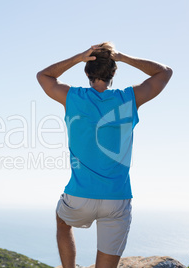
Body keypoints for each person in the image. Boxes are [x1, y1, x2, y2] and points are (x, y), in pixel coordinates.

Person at [37, 43, 172, 268]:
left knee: (62, 221)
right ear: (113, 72)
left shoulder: (72, 97)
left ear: (87, 72)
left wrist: (77, 58)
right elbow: (164, 72)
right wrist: (123, 57)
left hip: (79, 195)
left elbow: (43, 75)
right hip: (117, 198)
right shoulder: (129, 98)